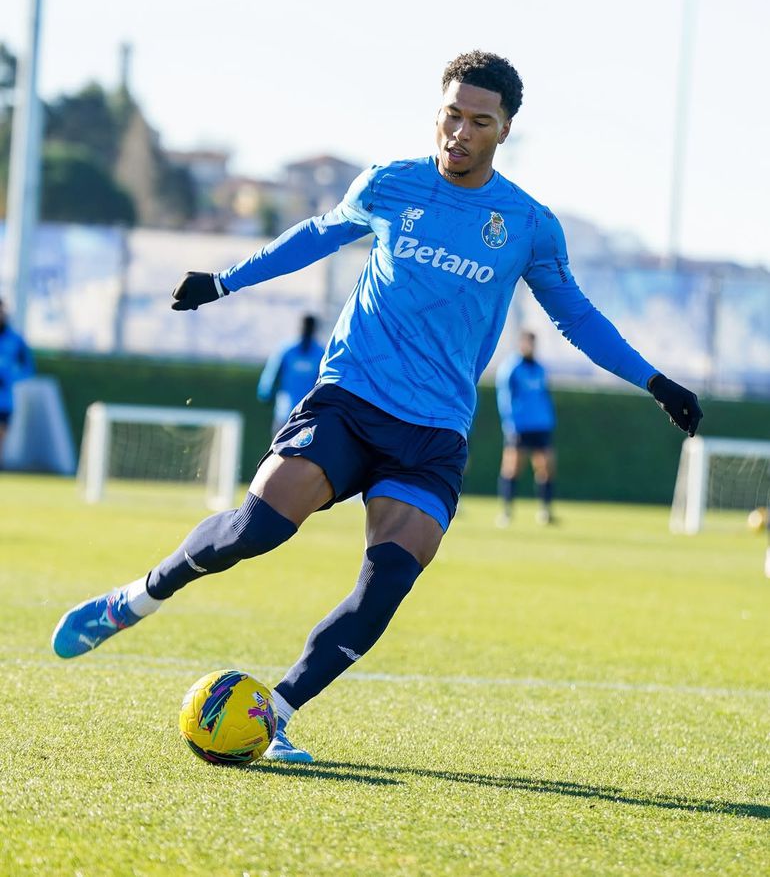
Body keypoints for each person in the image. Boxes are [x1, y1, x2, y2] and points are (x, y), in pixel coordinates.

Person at [51, 50, 702, 763]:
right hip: (350, 402)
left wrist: (654, 380)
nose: (460, 132)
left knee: (388, 579)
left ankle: (277, 713)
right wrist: (226, 281)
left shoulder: (528, 225)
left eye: (478, 121)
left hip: (433, 435)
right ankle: (136, 599)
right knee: (257, 529)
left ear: (505, 130)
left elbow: (574, 316)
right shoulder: (391, 183)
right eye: (451, 115)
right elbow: (318, 234)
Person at [496, 330, 556, 526]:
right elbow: (505, 398)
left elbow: (545, 395)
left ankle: (545, 511)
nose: (530, 347)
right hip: (519, 426)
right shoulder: (511, 368)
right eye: (527, 343)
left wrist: (549, 419)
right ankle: (506, 511)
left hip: (541, 425)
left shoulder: (540, 368)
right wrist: (510, 423)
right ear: (521, 344)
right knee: (512, 468)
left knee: (546, 467)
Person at [257, 314, 325, 433]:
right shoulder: (287, 350)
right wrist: (266, 391)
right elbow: (271, 374)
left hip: (308, 415)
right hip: (286, 413)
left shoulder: (320, 353)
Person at [0, 298, 35, 467]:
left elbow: (28, 368)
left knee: (2, 432)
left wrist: (10, 377)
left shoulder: (15, 339)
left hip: (4, 399)